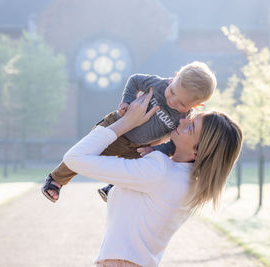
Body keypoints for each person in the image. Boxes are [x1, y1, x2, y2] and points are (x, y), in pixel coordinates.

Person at [63, 89, 243, 267]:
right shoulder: (190, 183)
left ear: (197, 151)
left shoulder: (159, 170)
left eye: (191, 127)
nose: (182, 121)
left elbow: (75, 158)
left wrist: (127, 122)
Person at [42, 61, 217, 202]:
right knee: (89, 151)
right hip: (118, 130)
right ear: (174, 78)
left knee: (135, 170)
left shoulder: (185, 118)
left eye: (181, 103)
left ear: (196, 106)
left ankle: (112, 188)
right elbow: (134, 80)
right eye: (171, 92)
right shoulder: (157, 84)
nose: (172, 101)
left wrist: (155, 150)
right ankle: (57, 179)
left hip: (141, 146)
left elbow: (174, 143)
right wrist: (127, 100)